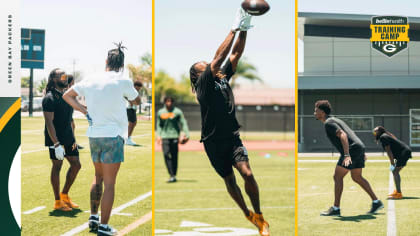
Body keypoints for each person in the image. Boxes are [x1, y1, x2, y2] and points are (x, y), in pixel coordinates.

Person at [188, 8, 269, 236]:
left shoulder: (221, 78)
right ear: (197, 75)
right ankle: (247, 213)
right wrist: (233, 28)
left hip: (232, 138)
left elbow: (234, 55)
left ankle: (260, 215)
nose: (207, 64)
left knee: (248, 174)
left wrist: (245, 26)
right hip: (213, 143)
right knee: (229, 180)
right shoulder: (202, 86)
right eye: (202, 65)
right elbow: (219, 58)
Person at [63, 43, 140, 236]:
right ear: (122, 65)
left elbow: (67, 95)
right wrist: (132, 98)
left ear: (106, 61)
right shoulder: (123, 80)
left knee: (97, 178)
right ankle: (104, 227)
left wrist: (84, 110)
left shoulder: (90, 79)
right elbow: (136, 100)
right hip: (113, 136)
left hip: (94, 135)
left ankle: (94, 217)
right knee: (110, 183)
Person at [314, 100, 384, 216]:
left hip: (351, 150)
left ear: (322, 112)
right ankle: (376, 202)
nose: (314, 113)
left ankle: (336, 208)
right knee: (357, 177)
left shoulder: (329, 123)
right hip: (357, 148)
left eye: (316, 110)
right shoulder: (335, 120)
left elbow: (343, 134)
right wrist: (361, 150)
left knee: (337, 177)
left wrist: (347, 154)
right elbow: (351, 133)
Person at [42, 68, 81, 212]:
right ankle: (57, 202)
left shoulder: (66, 96)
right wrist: (56, 144)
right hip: (55, 138)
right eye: (61, 76)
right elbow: (49, 122)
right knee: (57, 167)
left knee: (76, 165)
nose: (65, 78)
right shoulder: (49, 98)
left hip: (68, 136)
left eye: (65, 76)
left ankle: (64, 195)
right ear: (53, 79)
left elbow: (70, 117)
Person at [156, 96, 190, 183]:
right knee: (166, 154)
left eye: (170, 101)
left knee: (174, 156)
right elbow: (159, 125)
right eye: (167, 101)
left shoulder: (177, 112)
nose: (169, 103)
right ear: (164, 102)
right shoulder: (160, 112)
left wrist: (187, 134)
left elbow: (183, 123)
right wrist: (158, 135)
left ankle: (173, 175)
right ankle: (171, 174)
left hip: (175, 136)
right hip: (165, 137)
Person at [373, 126, 412, 199]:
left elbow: (389, 151)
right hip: (403, 152)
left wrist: (392, 164)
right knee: (395, 172)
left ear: (380, 132)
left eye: (375, 131)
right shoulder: (385, 135)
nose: (374, 133)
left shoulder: (383, 137)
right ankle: (397, 191)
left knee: (395, 172)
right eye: (374, 131)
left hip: (404, 153)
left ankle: (399, 193)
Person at [67, 74, 84, 149]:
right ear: (70, 82)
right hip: (65, 114)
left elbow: (76, 103)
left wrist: (86, 107)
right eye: (73, 81)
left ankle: (73, 144)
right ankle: (71, 145)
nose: (74, 83)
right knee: (70, 128)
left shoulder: (71, 91)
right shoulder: (67, 91)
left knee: (73, 126)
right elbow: (76, 104)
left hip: (69, 114)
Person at [126, 80, 143, 146]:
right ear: (135, 86)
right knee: (131, 123)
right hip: (129, 108)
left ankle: (128, 137)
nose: (139, 89)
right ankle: (127, 139)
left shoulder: (136, 92)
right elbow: (125, 96)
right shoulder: (131, 90)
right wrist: (130, 101)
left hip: (133, 109)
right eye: (138, 87)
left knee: (134, 123)